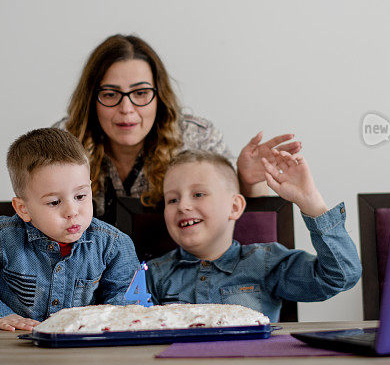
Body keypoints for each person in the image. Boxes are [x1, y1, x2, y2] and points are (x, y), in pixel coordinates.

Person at [55, 33, 301, 224]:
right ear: (91, 99)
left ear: (159, 96)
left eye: (140, 93)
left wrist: (248, 182)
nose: (127, 109)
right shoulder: (63, 144)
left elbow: (244, 227)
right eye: (110, 94)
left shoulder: (198, 138)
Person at [0, 128, 140, 331]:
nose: (72, 211)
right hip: (12, 350)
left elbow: (126, 303)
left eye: (80, 196)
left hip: (82, 353)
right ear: (23, 209)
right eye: (54, 202)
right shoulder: (0, 237)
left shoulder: (114, 245)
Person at [145, 148, 362, 322]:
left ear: (234, 206)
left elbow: (341, 276)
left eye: (198, 194)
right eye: (172, 199)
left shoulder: (266, 262)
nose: (182, 205)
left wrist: (311, 203)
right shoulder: (153, 275)